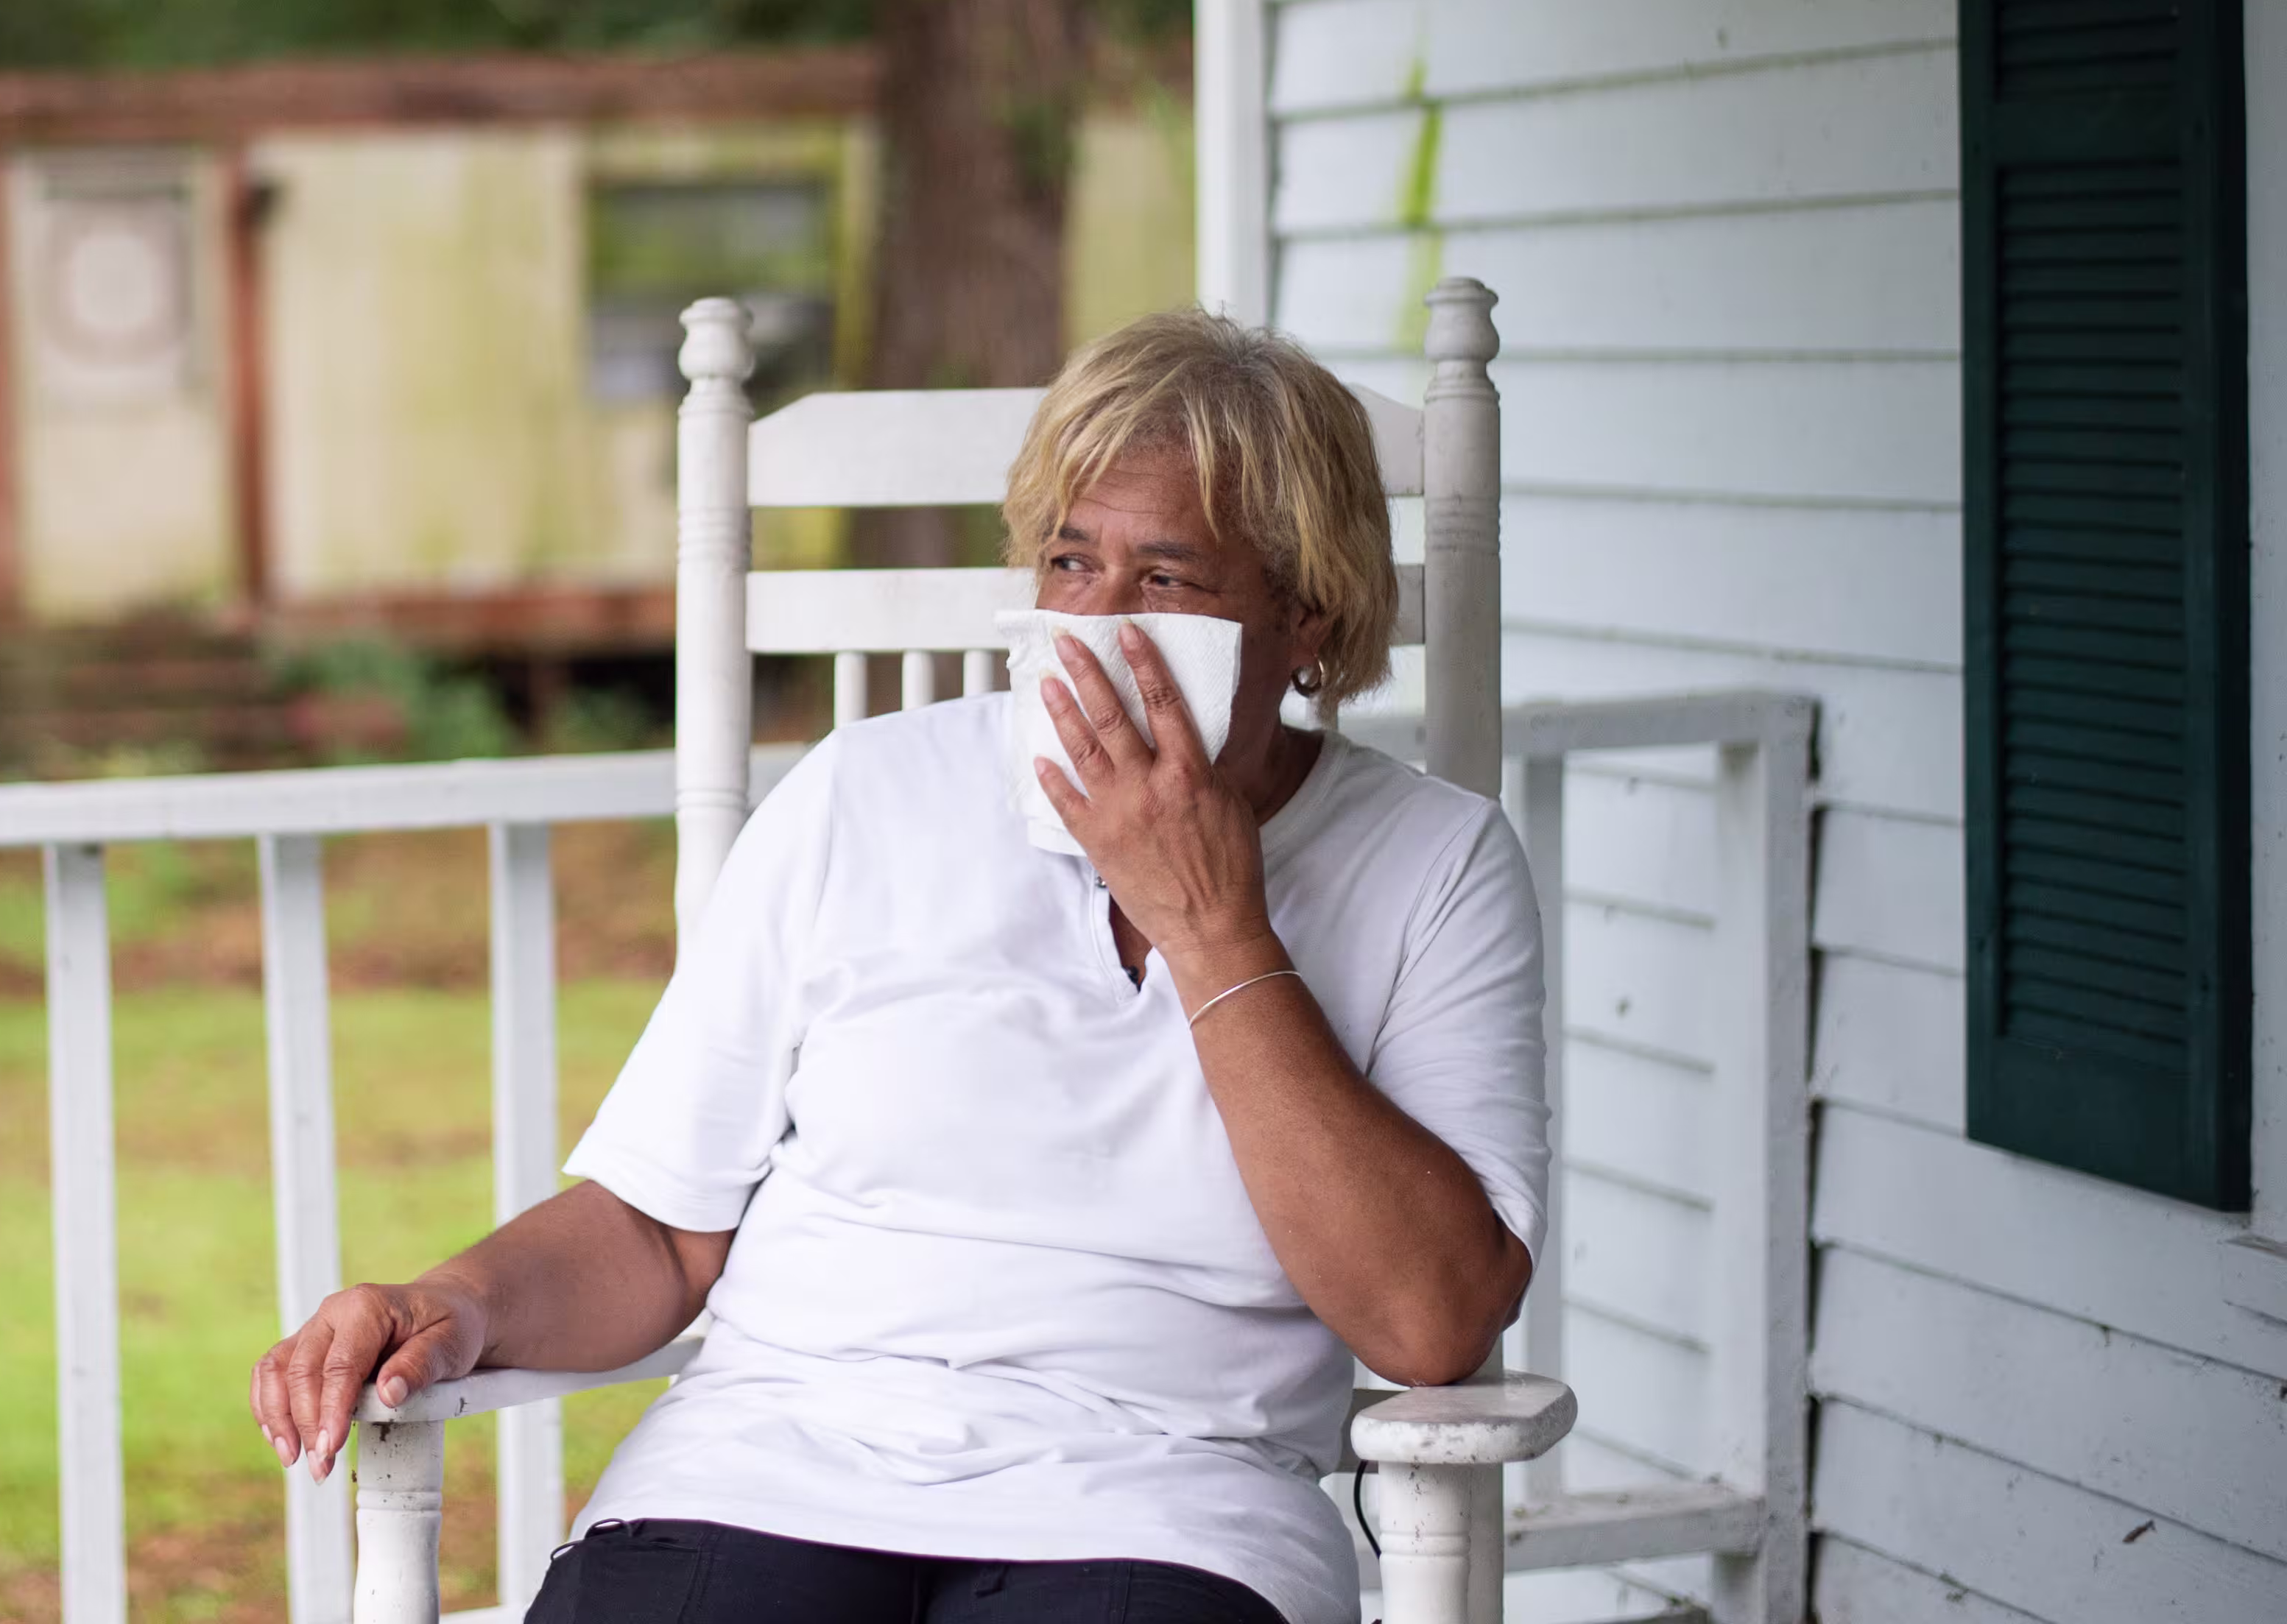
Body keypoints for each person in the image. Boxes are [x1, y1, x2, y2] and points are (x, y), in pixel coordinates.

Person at [248, 309, 1548, 1624]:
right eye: (1069, 562)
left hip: (1162, 1500)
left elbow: (1431, 1322)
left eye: (1167, 580)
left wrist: (1217, 929)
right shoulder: (863, 794)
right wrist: (451, 1301)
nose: (1096, 622)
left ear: (1307, 616)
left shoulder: (1432, 865)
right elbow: (660, 1227)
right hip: (765, 1472)